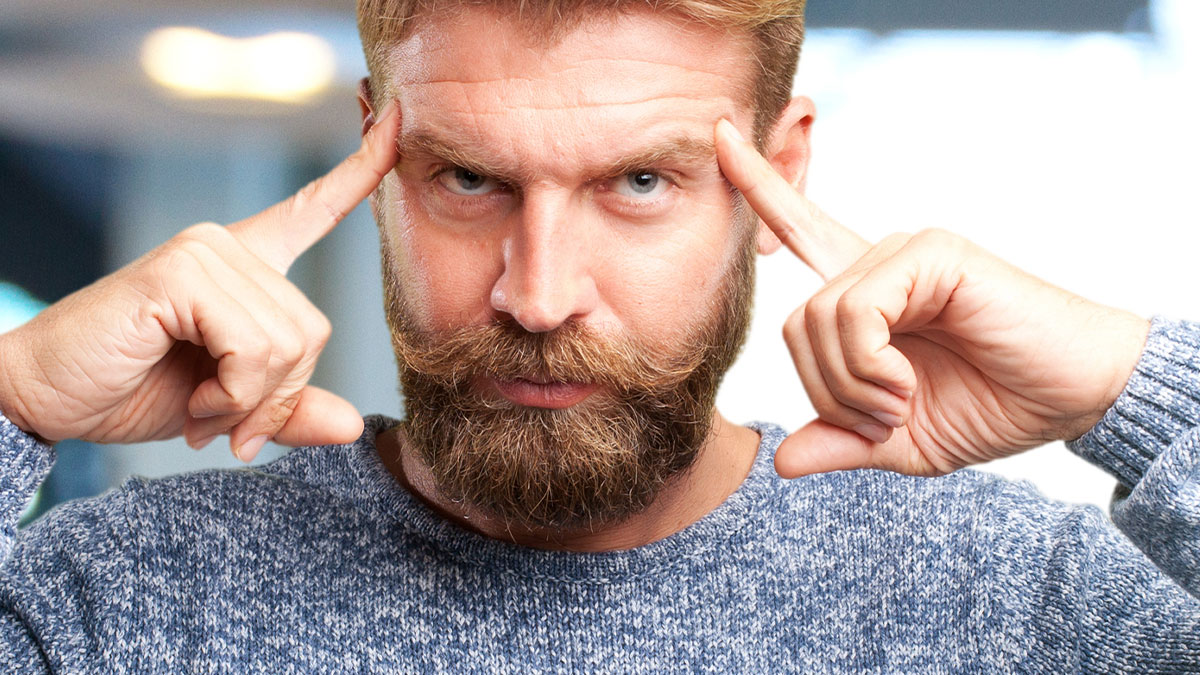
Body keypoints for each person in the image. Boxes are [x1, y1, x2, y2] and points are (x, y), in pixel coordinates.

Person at [1, 0, 1197, 671]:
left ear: (777, 174)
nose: (539, 294)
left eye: (636, 181)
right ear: (376, 161)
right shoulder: (122, 602)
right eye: (467, 178)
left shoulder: (1024, 607)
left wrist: (1134, 390)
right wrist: (15, 403)